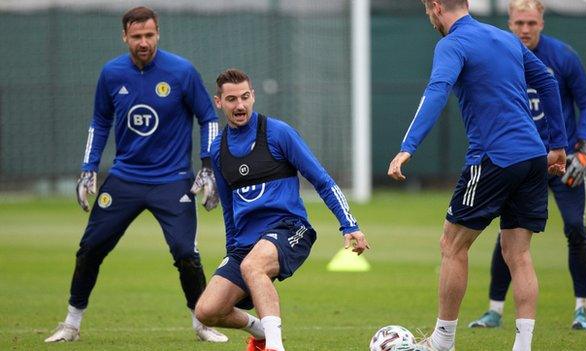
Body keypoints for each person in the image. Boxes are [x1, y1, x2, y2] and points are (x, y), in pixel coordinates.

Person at [387, 0, 568, 350]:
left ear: (437, 7)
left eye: (428, 11)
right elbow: (547, 82)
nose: (430, 18)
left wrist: (408, 145)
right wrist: (557, 143)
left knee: (452, 245)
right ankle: (523, 346)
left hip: (494, 157)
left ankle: (442, 342)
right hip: (533, 156)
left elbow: (437, 90)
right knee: (519, 254)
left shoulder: (453, 43)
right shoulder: (505, 38)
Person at [44, 6, 227, 343]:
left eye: (149, 35)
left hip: (172, 180)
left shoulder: (182, 71)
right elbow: (99, 122)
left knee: (186, 252)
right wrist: (88, 168)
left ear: (158, 33)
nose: (144, 42)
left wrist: (208, 166)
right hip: (125, 178)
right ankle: (71, 323)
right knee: (90, 249)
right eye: (137, 36)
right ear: (124, 37)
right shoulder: (111, 73)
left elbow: (209, 118)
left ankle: (202, 323)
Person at [193, 68, 370, 351]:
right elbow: (229, 210)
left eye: (245, 97)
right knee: (207, 310)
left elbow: (322, 180)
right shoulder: (218, 149)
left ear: (253, 97)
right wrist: (232, 252)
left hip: (289, 229)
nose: (240, 105)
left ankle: (275, 347)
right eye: (231, 99)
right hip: (246, 244)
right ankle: (262, 331)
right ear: (219, 102)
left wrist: (349, 225)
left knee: (254, 266)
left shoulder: (278, 133)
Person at [468, 0, 586, 331]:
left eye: (531, 23)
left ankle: (582, 308)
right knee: (507, 235)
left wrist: (580, 147)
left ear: (541, 22)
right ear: (509, 23)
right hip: (522, 162)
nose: (525, 29)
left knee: (574, 228)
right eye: (519, 23)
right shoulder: (501, 54)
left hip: (563, 160)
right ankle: (494, 310)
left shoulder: (563, 56)